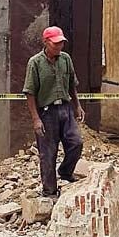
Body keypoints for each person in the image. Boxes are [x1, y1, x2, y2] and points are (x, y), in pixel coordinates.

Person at [22, 26, 85, 198]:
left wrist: (77, 106)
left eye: (61, 43)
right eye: (55, 43)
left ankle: (65, 171)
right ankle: (49, 191)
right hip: (46, 113)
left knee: (76, 143)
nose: (59, 47)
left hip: (65, 109)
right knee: (48, 153)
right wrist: (36, 119)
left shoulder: (66, 59)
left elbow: (72, 84)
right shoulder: (35, 63)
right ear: (46, 42)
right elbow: (30, 92)